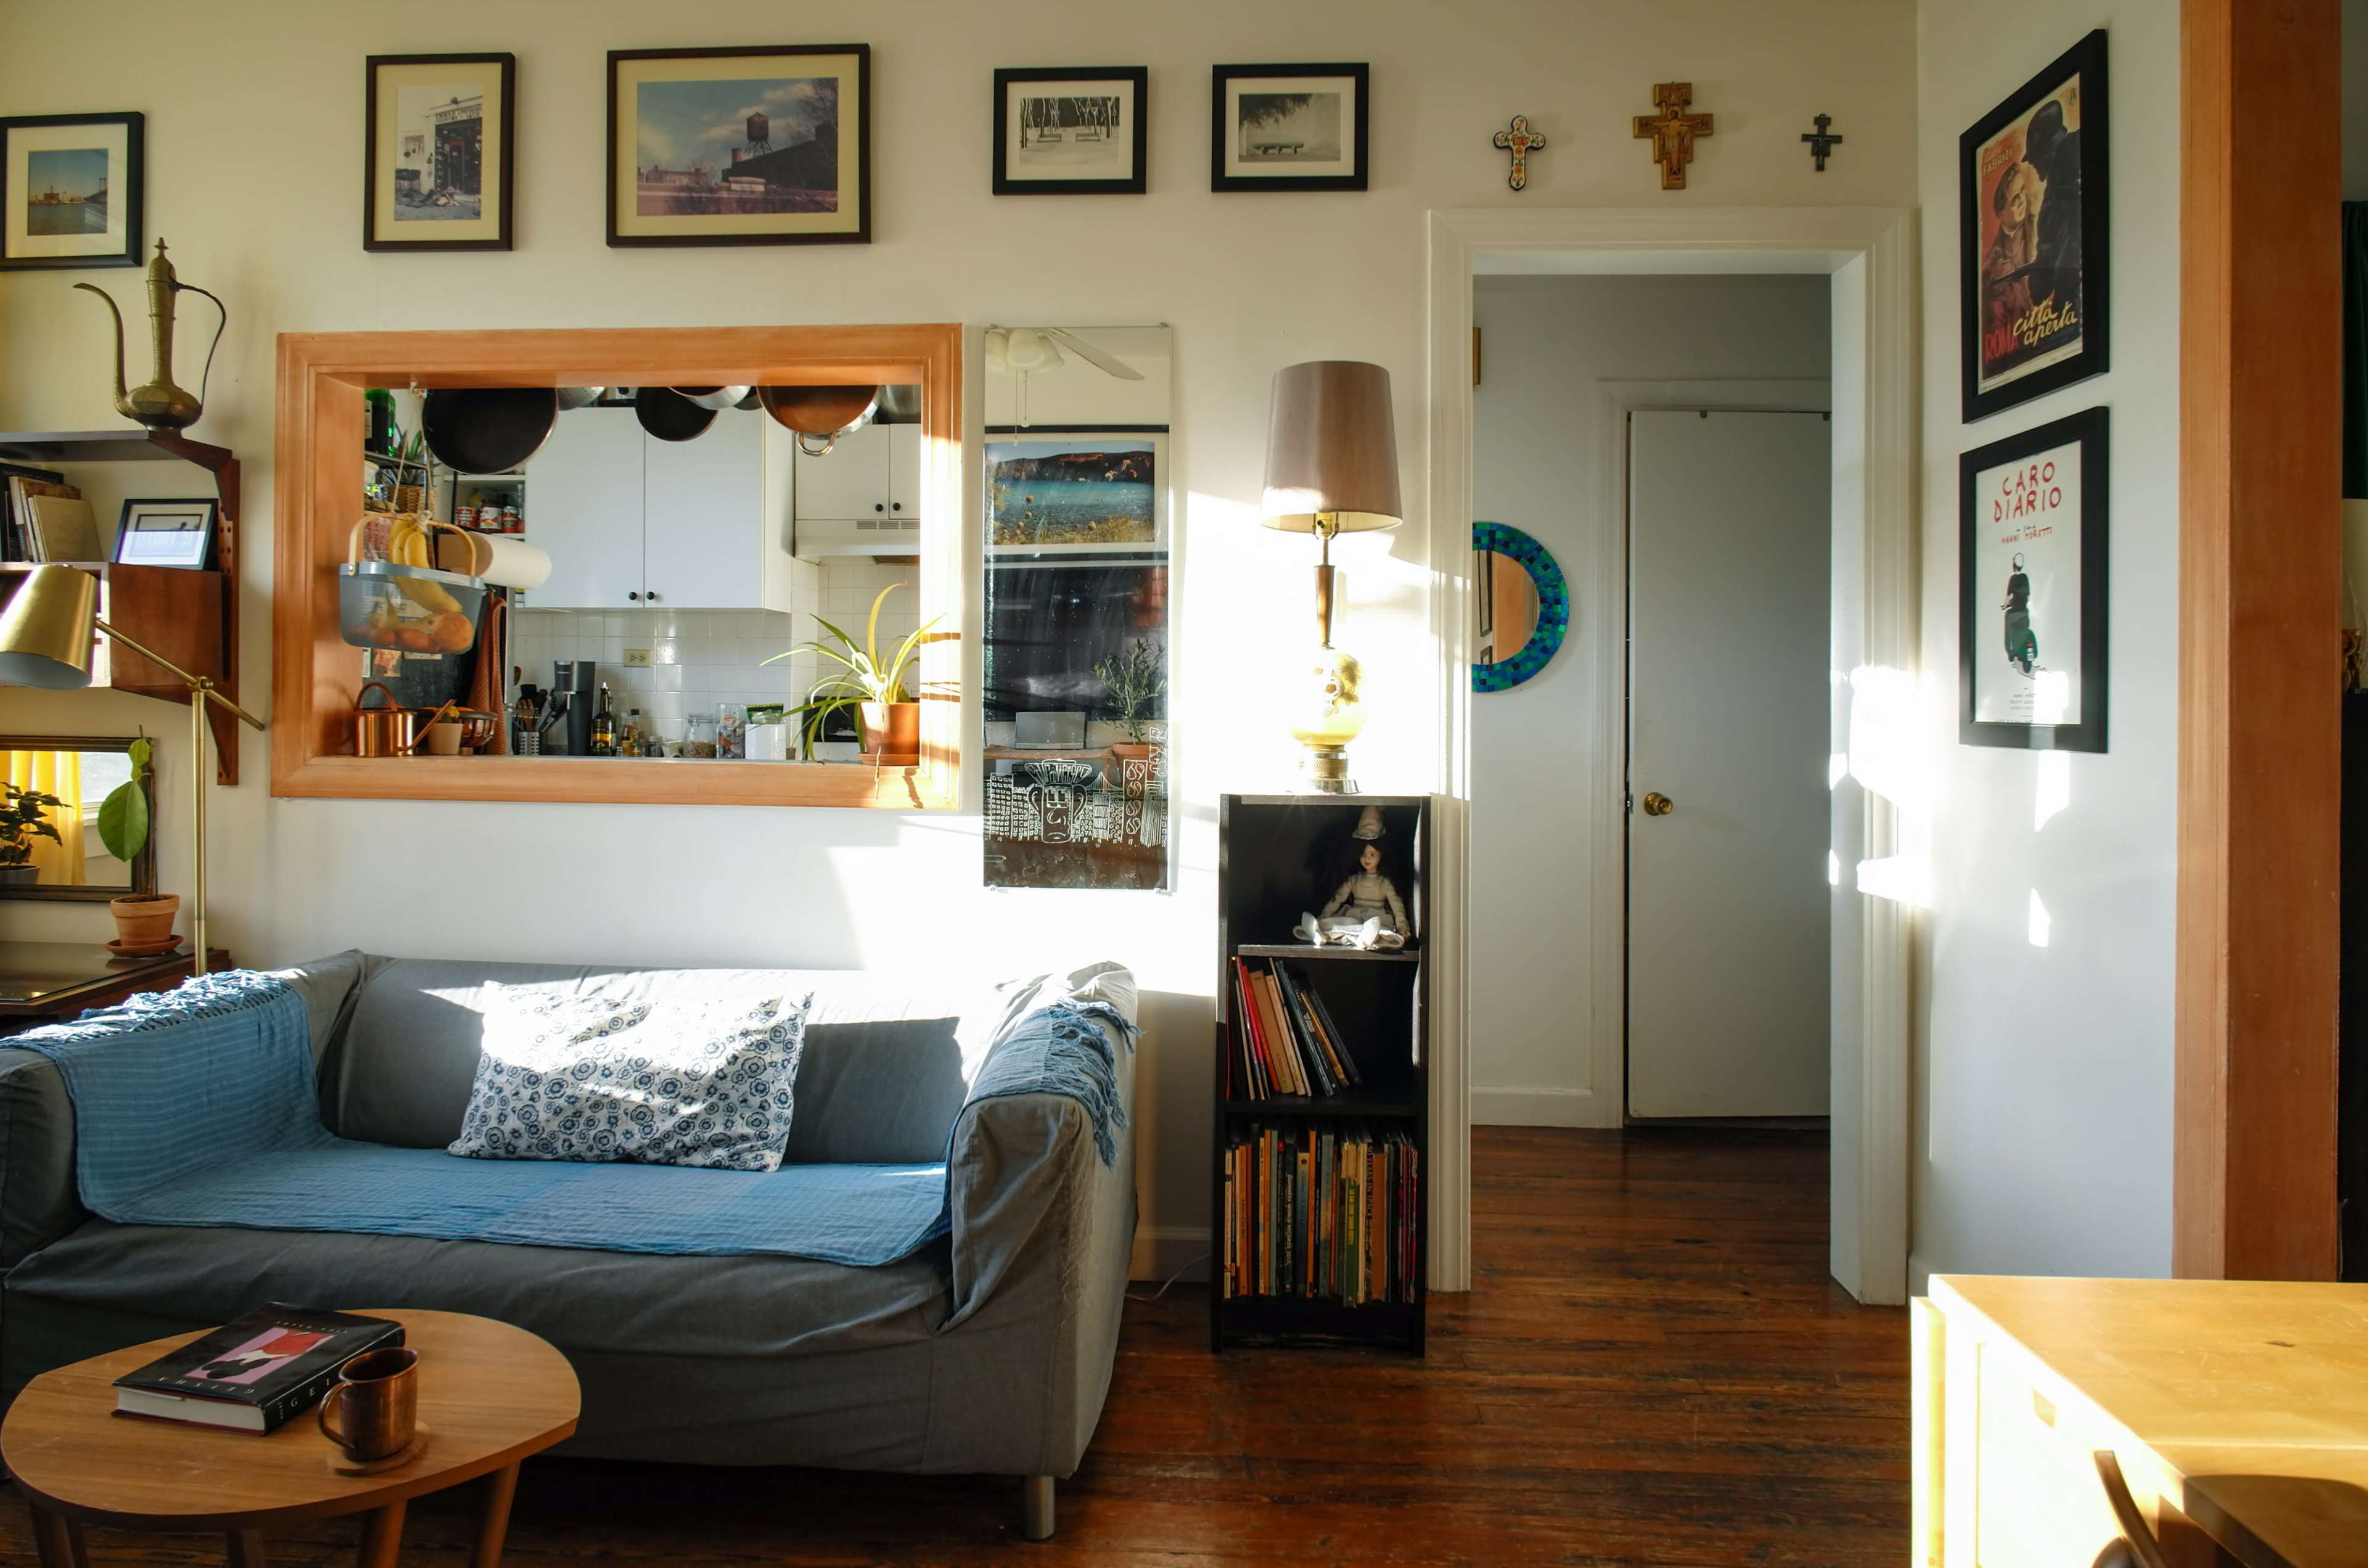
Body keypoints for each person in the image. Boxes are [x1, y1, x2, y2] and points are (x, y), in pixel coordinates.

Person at [2002, 552, 2035, 675]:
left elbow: (2009, 596)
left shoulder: (2013, 578)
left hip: (2014, 612)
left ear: (2014, 565)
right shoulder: (2025, 577)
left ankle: (2010, 653)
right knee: (2025, 629)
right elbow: (2029, 596)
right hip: (2024, 611)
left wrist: (2005, 606)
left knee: (2009, 628)